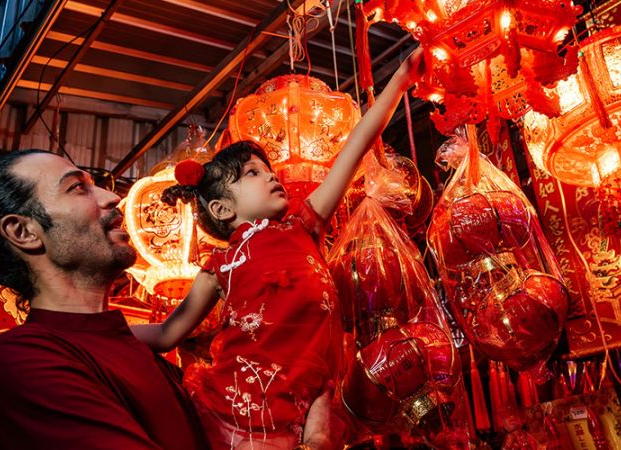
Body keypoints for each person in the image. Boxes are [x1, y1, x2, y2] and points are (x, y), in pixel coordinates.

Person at [0, 149, 333, 449]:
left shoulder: (150, 361)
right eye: (78, 188)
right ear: (23, 232)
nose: (112, 197)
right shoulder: (22, 363)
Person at [130, 49, 426, 449]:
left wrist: (400, 83)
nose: (271, 177)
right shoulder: (219, 266)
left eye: (268, 170)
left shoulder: (303, 227)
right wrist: (92, 331)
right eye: (253, 173)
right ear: (221, 208)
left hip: (300, 415)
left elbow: (354, 148)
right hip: (230, 416)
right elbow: (168, 333)